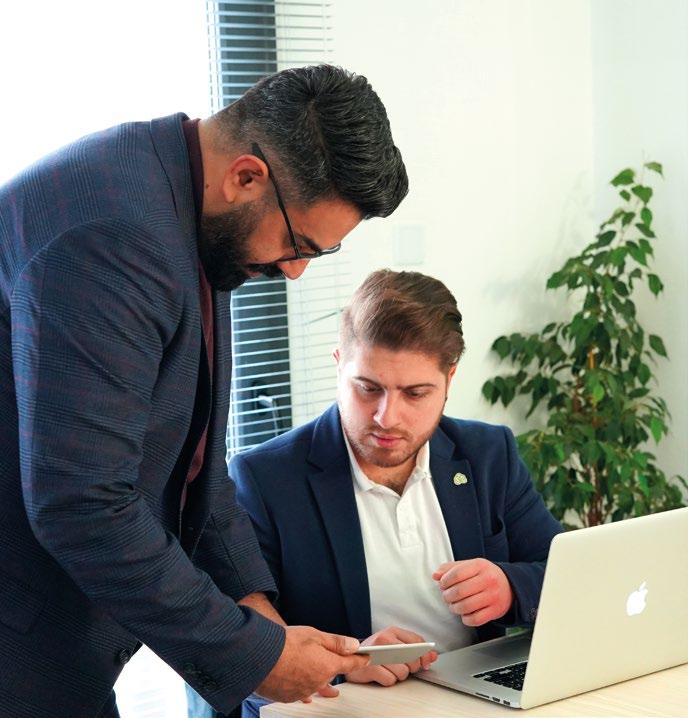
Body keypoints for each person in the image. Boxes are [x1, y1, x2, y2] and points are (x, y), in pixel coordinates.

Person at [0, 65, 408, 718]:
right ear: (246, 177)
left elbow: (194, 466)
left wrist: (257, 615)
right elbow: (81, 503)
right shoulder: (115, 234)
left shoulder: (192, 214)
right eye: (298, 244)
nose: (296, 272)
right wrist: (255, 655)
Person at [231, 269, 564, 716]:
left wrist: (509, 587)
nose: (387, 417)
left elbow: (566, 574)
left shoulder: (488, 454)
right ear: (339, 364)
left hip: (473, 704)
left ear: (449, 379)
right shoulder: (266, 479)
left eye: (415, 393)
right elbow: (243, 647)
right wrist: (346, 664)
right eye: (368, 389)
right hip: (346, 708)